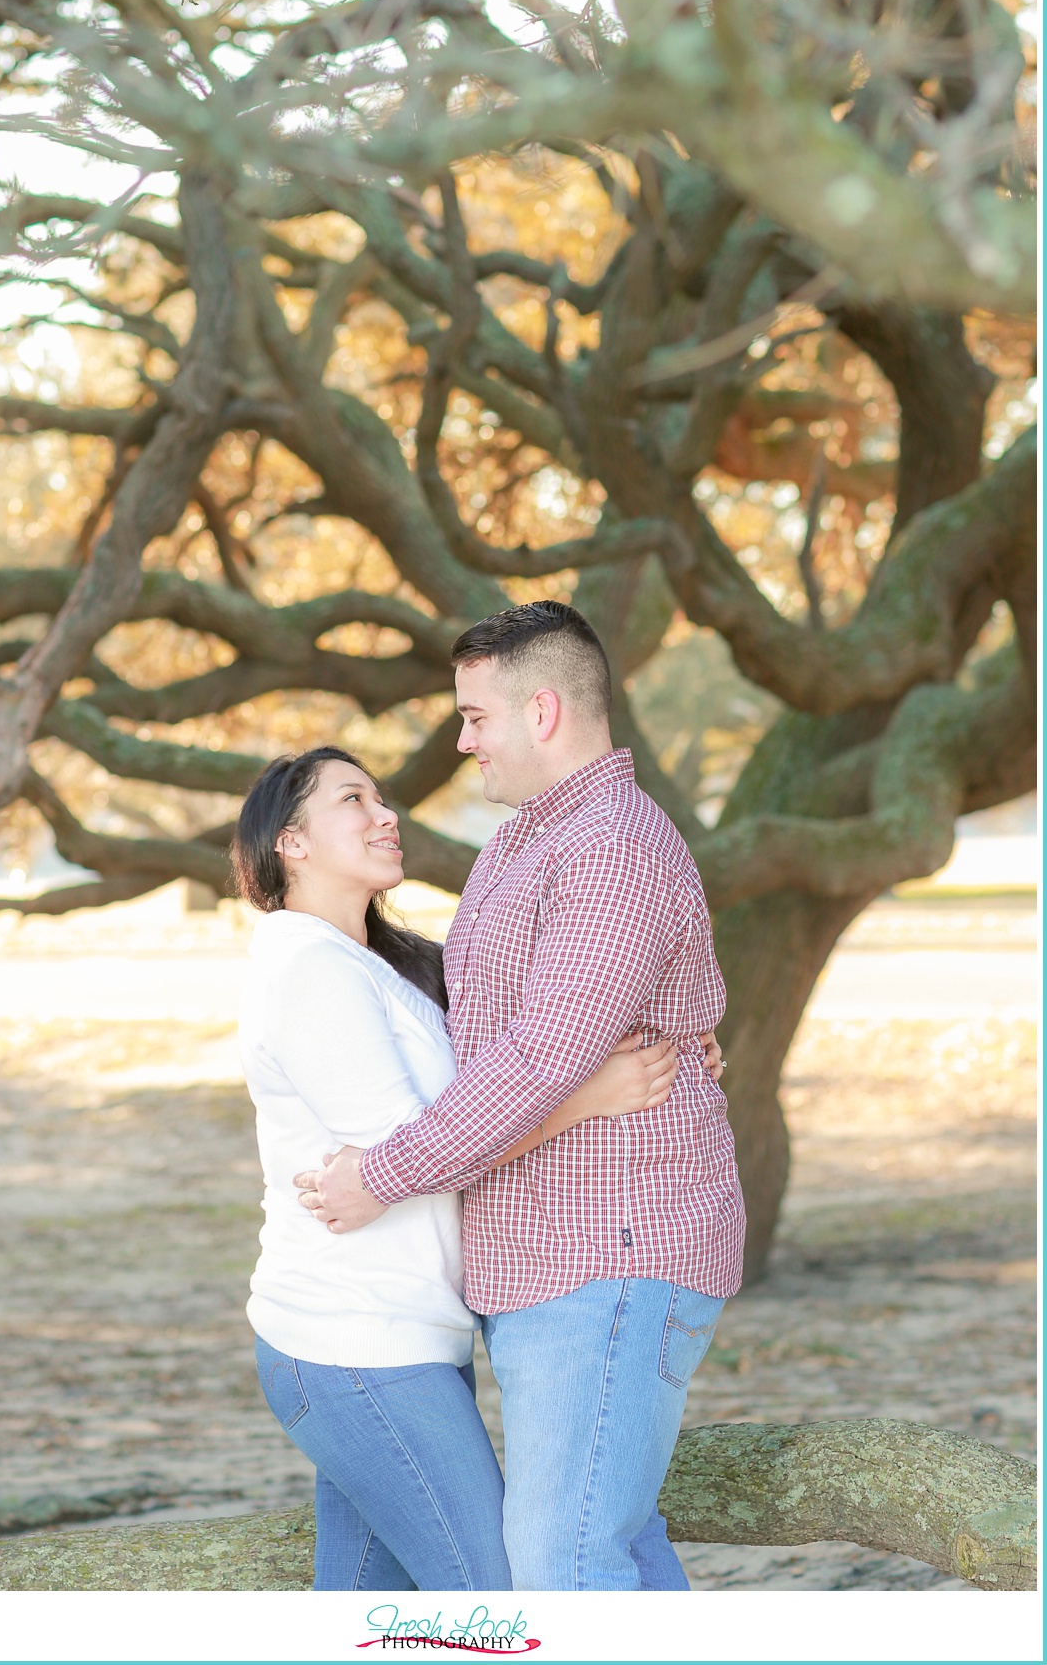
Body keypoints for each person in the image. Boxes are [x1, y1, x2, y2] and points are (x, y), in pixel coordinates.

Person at [299, 602, 745, 1592]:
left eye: (475, 718)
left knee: (564, 1554)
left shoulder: (611, 852)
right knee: (606, 1540)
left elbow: (537, 1058)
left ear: (541, 712)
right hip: (548, 1260)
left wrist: (384, 1174)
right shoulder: (520, 846)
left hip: (612, 1253)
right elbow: (500, 1032)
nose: (460, 741)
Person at [232, 744, 701, 1593]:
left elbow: (528, 1038)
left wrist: (681, 1034)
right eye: (353, 801)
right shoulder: (306, 967)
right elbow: (419, 1151)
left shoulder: (383, 963)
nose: (386, 815)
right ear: (289, 843)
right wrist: (588, 1097)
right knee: (499, 1598)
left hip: (406, 1336)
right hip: (353, 1343)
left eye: (382, 798)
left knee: (373, 1614)